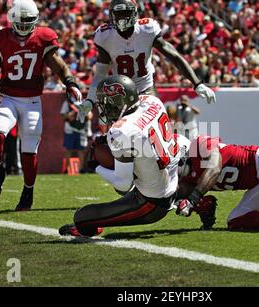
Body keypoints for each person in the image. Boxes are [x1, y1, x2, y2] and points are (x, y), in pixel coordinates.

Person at [59, 75, 190, 237]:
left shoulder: (122, 130)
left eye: (105, 103)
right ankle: (189, 198)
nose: (103, 108)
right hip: (173, 178)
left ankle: (94, 224)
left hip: (152, 203)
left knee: (81, 218)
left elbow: (123, 185)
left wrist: (95, 165)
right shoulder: (152, 101)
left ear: (117, 103)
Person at [0, 0, 83, 211]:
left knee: (29, 150)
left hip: (32, 100)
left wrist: (70, 83)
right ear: (12, 19)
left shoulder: (43, 37)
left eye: (28, 21)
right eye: (20, 21)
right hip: (8, 97)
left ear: (35, 20)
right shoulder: (0, 37)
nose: (24, 25)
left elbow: (60, 66)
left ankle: (28, 192)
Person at [76, 0, 216, 119]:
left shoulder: (147, 30)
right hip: (121, 92)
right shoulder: (105, 37)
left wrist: (197, 83)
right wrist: (89, 100)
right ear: (111, 15)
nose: (121, 18)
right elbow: (100, 74)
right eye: (117, 14)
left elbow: (174, 56)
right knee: (119, 137)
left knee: (154, 127)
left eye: (125, 13)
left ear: (134, 13)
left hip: (146, 88)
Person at [60, 98, 92, 173]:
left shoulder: (85, 102)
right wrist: (70, 116)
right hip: (70, 130)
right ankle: (65, 170)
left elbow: (90, 116)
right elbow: (63, 116)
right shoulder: (68, 102)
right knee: (68, 150)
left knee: (81, 150)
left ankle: (81, 170)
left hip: (82, 130)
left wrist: (82, 113)